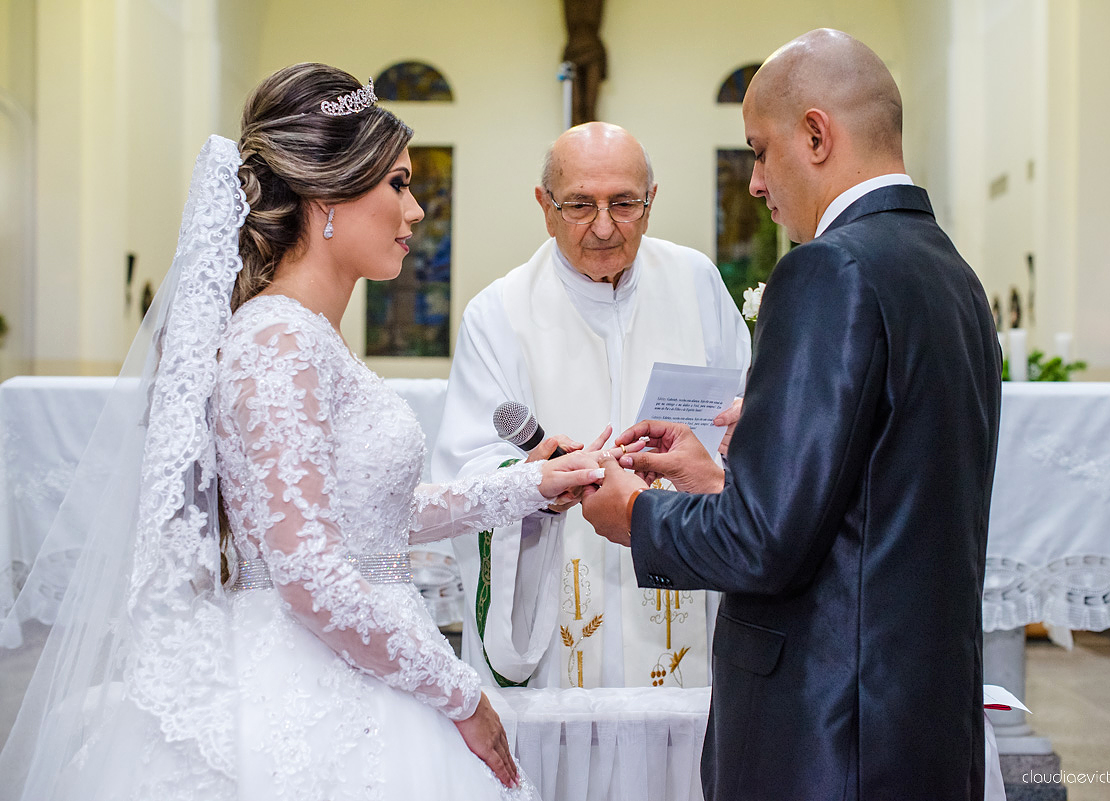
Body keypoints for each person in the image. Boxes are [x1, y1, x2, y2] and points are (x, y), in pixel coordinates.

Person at [0, 63, 607, 801]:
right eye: (399, 184)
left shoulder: (308, 338)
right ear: (327, 197)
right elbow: (311, 574)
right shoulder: (277, 342)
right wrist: (461, 694)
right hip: (313, 682)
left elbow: (372, 519)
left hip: (364, 656)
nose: (416, 212)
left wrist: (532, 486)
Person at [582, 29, 1002, 801]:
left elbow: (765, 545)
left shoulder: (828, 268)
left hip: (827, 731)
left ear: (816, 134)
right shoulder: (953, 276)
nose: (753, 182)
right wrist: (722, 478)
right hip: (921, 726)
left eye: (759, 150)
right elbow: (875, 502)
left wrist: (634, 514)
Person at [432, 121, 751, 690]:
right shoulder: (498, 314)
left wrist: (717, 459)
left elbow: (747, 432)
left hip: (688, 605)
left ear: (651, 202)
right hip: (560, 632)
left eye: (624, 203)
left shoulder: (696, 283)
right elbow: (465, 476)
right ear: (544, 206)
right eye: (580, 204)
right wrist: (536, 482)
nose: (603, 226)